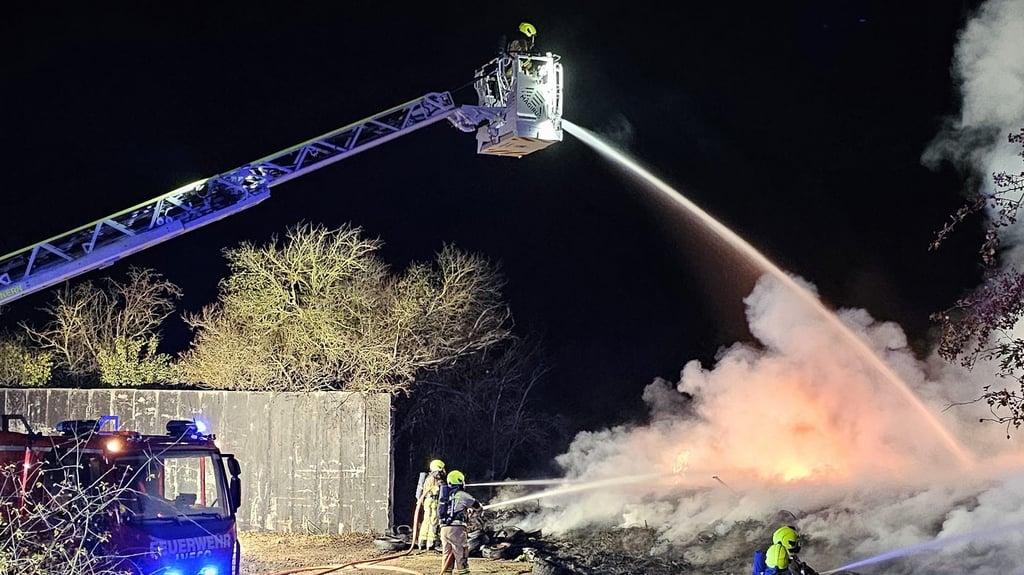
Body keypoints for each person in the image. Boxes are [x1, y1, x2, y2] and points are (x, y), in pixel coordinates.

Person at [437, 470, 483, 575]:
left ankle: (446, 573)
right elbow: (478, 506)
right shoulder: (462, 495)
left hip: (444, 529)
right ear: (460, 481)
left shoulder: (445, 496)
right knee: (461, 553)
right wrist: (476, 511)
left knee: (447, 555)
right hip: (457, 529)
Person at [415, 458, 447, 550]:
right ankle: (431, 543)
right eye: (442, 469)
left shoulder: (428, 477)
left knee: (426, 521)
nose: (444, 471)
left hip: (427, 501)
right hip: (433, 501)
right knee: (434, 521)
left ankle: (422, 542)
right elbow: (437, 490)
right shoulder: (435, 477)